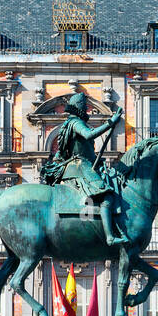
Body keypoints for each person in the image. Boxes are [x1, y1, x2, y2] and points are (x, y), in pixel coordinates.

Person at [41, 92, 127, 246]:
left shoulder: (69, 124)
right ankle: (109, 237)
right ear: (79, 108)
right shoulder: (76, 123)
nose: (87, 110)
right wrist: (110, 122)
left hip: (79, 165)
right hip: (80, 167)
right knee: (106, 196)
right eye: (85, 107)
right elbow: (89, 135)